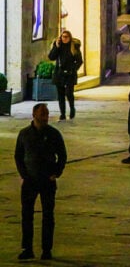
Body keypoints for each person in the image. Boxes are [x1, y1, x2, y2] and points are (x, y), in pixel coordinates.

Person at [14, 104, 67, 262]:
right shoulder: (24, 134)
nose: (45, 117)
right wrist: (24, 175)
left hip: (47, 180)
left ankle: (46, 249)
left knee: (48, 216)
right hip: (30, 181)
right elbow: (18, 156)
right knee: (27, 215)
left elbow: (62, 155)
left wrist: (56, 173)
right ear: (34, 115)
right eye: (42, 114)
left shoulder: (53, 134)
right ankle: (27, 248)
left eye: (47, 114)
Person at [47, 30, 83, 121]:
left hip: (70, 74)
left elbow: (79, 61)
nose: (64, 38)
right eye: (63, 37)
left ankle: (72, 108)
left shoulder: (74, 46)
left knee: (69, 93)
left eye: (66, 37)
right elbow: (51, 57)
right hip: (59, 73)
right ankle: (62, 113)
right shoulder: (58, 46)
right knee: (60, 95)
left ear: (70, 37)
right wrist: (56, 47)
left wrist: (73, 69)